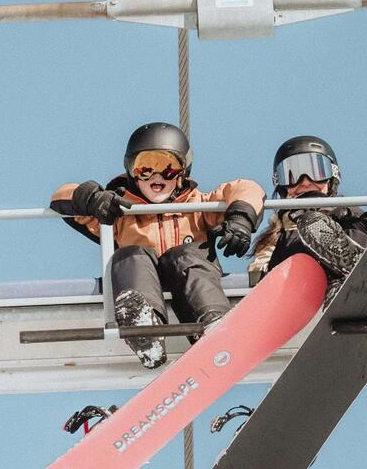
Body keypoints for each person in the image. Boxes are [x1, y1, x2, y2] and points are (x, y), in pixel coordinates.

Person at [50, 123, 263, 369]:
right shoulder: (121, 213)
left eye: (168, 168)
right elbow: (61, 195)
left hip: (190, 283)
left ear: (182, 171)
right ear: (132, 171)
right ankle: (144, 325)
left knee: (186, 256)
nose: (156, 176)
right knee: (130, 255)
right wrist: (93, 198)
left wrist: (240, 219)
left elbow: (247, 188)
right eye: (145, 168)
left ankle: (214, 320)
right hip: (142, 280)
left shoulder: (197, 206)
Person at [247, 135, 367, 301]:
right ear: (282, 185)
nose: (305, 182)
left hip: (358, 274)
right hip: (295, 290)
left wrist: (340, 214)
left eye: (317, 171)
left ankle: (350, 270)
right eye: (292, 175)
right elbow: (260, 276)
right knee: (298, 236)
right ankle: (337, 277)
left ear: (332, 178)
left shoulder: (351, 217)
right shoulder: (275, 236)